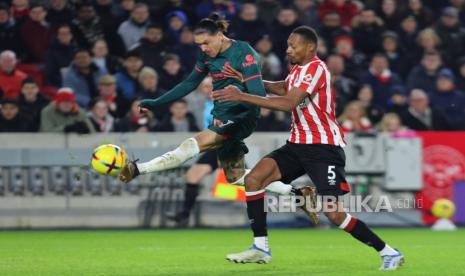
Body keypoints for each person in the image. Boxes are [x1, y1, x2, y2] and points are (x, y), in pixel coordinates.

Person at [213, 26, 404, 270]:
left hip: (323, 149)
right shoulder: (298, 70)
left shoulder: (316, 68)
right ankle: (260, 247)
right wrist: (248, 81)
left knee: (333, 214)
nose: (288, 49)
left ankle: (388, 252)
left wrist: (242, 96)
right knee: (254, 180)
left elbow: (288, 102)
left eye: (294, 45)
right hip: (297, 145)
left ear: (310, 47)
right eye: (288, 45)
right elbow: (285, 88)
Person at [118, 14, 318, 222]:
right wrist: (156, 102)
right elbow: (188, 84)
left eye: (206, 43)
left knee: (190, 145)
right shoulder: (206, 56)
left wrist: (238, 96)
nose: (203, 49)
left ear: (220, 36)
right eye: (199, 45)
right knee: (237, 177)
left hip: (243, 116)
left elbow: (258, 96)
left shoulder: (244, 53)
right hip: (222, 117)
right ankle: (299, 194)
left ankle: (138, 169)